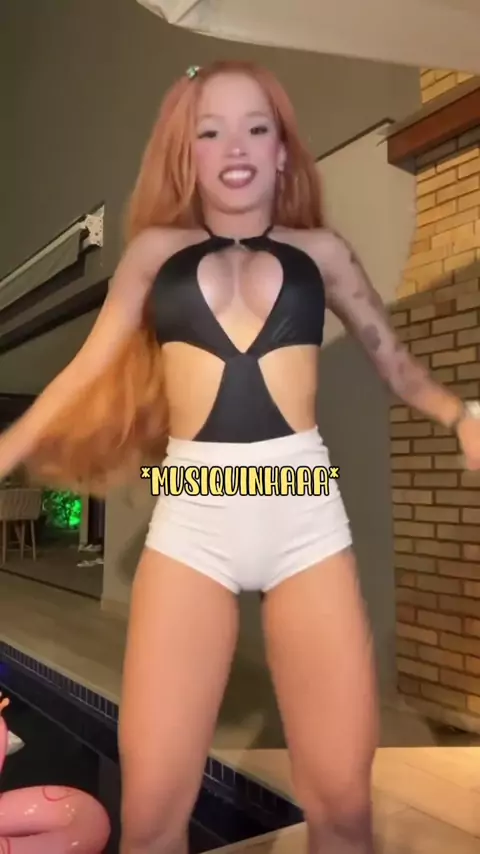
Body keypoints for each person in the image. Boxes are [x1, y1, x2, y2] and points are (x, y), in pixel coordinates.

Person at [0, 60, 479, 854]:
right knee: (152, 818)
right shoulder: (155, 254)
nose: (235, 147)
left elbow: (397, 366)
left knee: (344, 811)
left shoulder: (322, 253)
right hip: (194, 523)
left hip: (306, 521)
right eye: (211, 130)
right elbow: (82, 373)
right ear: (187, 152)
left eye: (256, 128)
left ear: (282, 151)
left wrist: (459, 416)